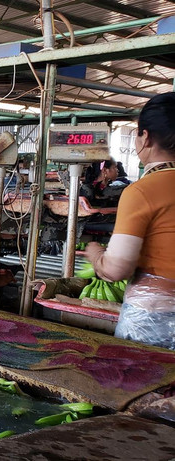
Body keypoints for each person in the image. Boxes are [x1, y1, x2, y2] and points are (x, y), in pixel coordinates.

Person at [85, 93, 175, 349]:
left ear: (145, 137)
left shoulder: (142, 191)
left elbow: (116, 270)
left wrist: (95, 254)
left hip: (155, 319)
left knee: (143, 387)